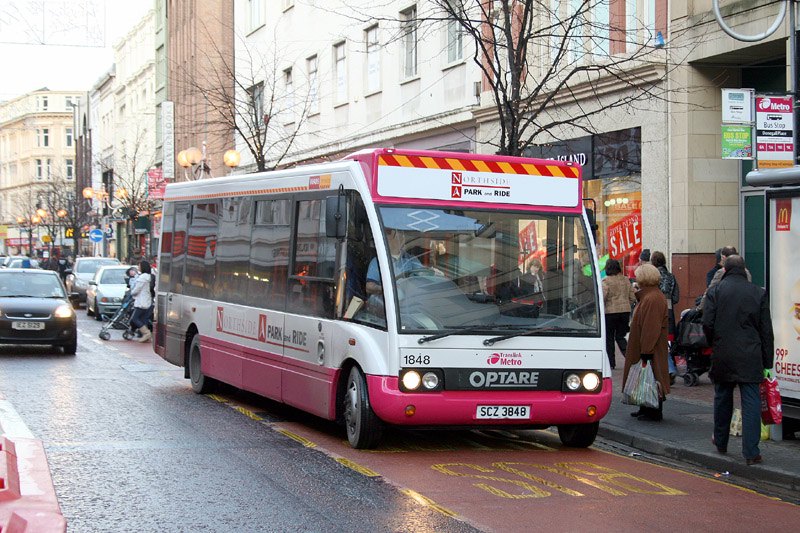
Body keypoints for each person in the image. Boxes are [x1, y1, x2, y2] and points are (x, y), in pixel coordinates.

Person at [702, 255, 773, 465]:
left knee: (722, 397)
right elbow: (766, 330)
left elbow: (707, 322)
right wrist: (767, 361)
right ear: (744, 270)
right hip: (750, 355)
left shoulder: (715, 291)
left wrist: (714, 342)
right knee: (750, 402)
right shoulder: (758, 292)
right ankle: (751, 452)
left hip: (723, 352)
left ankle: (721, 441)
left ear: (725, 270)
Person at [622, 263, 670, 421]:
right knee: (645, 376)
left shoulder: (651, 298)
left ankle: (653, 410)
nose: (635, 278)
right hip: (647, 345)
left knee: (652, 375)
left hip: (650, 347)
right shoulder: (650, 296)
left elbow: (651, 327)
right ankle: (645, 406)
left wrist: (646, 351)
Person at [365, 228, 423, 296]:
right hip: (390, 301)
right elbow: (369, 287)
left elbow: (423, 274)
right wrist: (389, 289)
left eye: (403, 235)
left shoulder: (410, 259)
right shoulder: (378, 261)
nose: (401, 237)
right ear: (387, 239)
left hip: (412, 298)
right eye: (397, 235)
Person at [602, 258, 636, 369]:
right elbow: (632, 297)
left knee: (609, 338)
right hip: (625, 312)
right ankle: (630, 359)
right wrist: (626, 304)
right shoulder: (626, 280)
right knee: (620, 336)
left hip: (610, 312)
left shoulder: (606, 281)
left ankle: (611, 363)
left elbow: (603, 297)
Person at [130, 260, 154, 342]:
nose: (138, 267)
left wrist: (132, 293)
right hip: (147, 301)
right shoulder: (148, 277)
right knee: (143, 319)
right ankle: (146, 336)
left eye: (139, 266)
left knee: (135, 318)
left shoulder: (142, 278)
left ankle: (146, 333)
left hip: (141, 301)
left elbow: (137, 289)